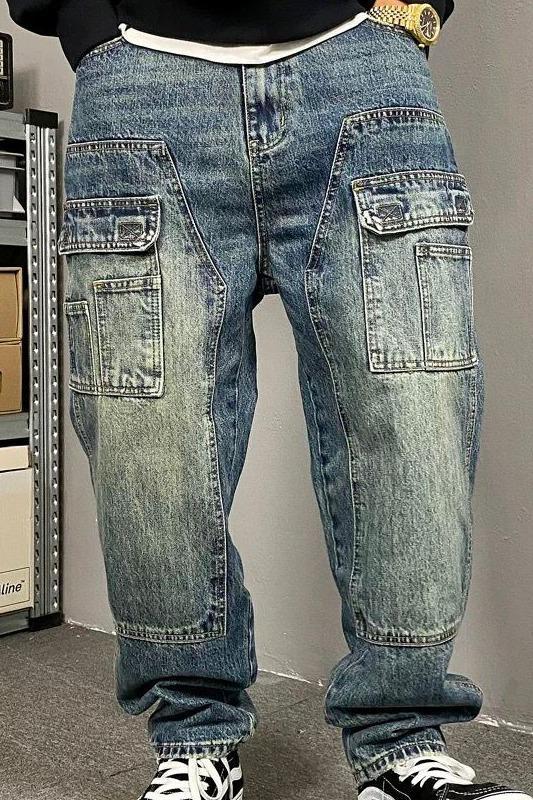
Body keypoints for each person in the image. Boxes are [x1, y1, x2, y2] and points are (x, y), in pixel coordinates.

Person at [6, 1, 531, 799]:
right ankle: (195, 741)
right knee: (149, 441)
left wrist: (408, 11)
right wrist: (87, 23)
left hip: (359, 68)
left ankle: (401, 744)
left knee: (412, 418)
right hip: (141, 76)